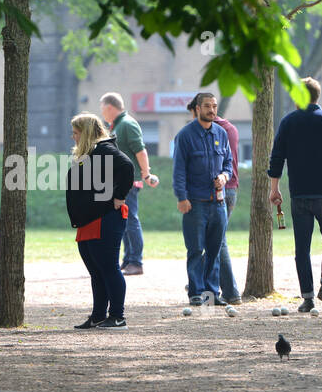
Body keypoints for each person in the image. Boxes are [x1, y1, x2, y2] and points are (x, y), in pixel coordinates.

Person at [268, 77, 322, 312]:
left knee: (302, 248)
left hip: (299, 196)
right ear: (317, 97)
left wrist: (274, 188)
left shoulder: (288, 123)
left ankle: (307, 298)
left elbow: (277, 157)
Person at [66, 113, 136, 329]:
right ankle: (98, 315)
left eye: (76, 133)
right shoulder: (90, 153)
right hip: (88, 220)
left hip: (104, 219)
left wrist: (120, 197)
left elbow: (127, 167)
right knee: (96, 271)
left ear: (85, 133)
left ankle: (117, 316)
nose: (73, 137)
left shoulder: (104, 149)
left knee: (108, 268)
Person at [172, 91, 233, 305]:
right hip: (195, 203)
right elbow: (179, 170)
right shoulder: (185, 135)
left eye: (214, 106)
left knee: (215, 250)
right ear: (197, 109)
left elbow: (229, 163)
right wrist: (182, 197)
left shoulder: (221, 133)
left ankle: (211, 294)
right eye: (207, 106)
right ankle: (196, 294)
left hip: (218, 203)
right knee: (196, 249)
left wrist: (225, 177)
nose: (212, 110)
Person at [99, 93, 158, 276]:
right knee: (122, 221)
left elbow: (140, 151)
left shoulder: (127, 124)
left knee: (130, 220)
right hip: (117, 182)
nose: (102, 112)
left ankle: (136, 262)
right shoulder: (116, 126)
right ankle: (127, 260)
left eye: (103, 108)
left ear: (110, 107)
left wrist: (146, 174)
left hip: (128, 182)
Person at [212, 110, 243, 305]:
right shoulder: (231, 128)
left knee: (218, 240)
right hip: (232, 189)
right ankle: (204, 281)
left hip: (220, 190)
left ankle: (231, 291)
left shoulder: (213, 131)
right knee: (215, 238)